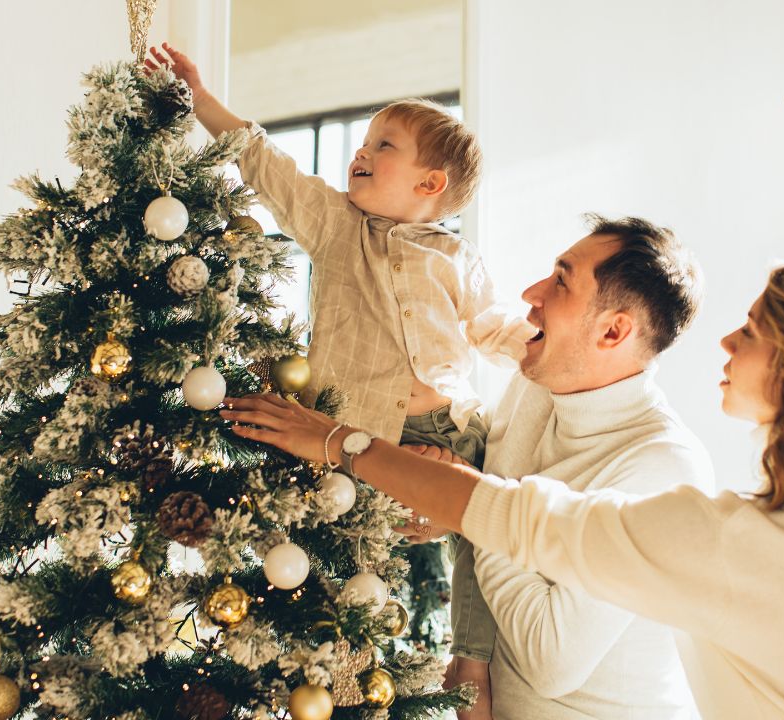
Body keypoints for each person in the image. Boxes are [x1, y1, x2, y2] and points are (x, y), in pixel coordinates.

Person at [222, 261, 784, 719]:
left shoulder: (735, 545)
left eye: (755, 331)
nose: (728, 342)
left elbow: (499, 510)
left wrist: (333, 442)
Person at [144, 45, 534, 714]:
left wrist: (543, 345)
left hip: (451, 427)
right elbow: (265, 164)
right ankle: (351, 689)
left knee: (484, 546)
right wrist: (200, 98)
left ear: (429, 184)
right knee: (357, 569)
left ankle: (471, 663)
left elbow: (493, 325)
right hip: (357, 431)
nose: (362, 151)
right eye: (363, 140)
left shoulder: (454, 256)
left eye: (383, 144)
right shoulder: (335, 226)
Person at [405, 216, 707, 719]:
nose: (532, 292)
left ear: (613, 331)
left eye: (561, 280)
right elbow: (494, 513)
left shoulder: (663, 467)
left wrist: (468, 507)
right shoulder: (537, 384)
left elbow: (552, 659)